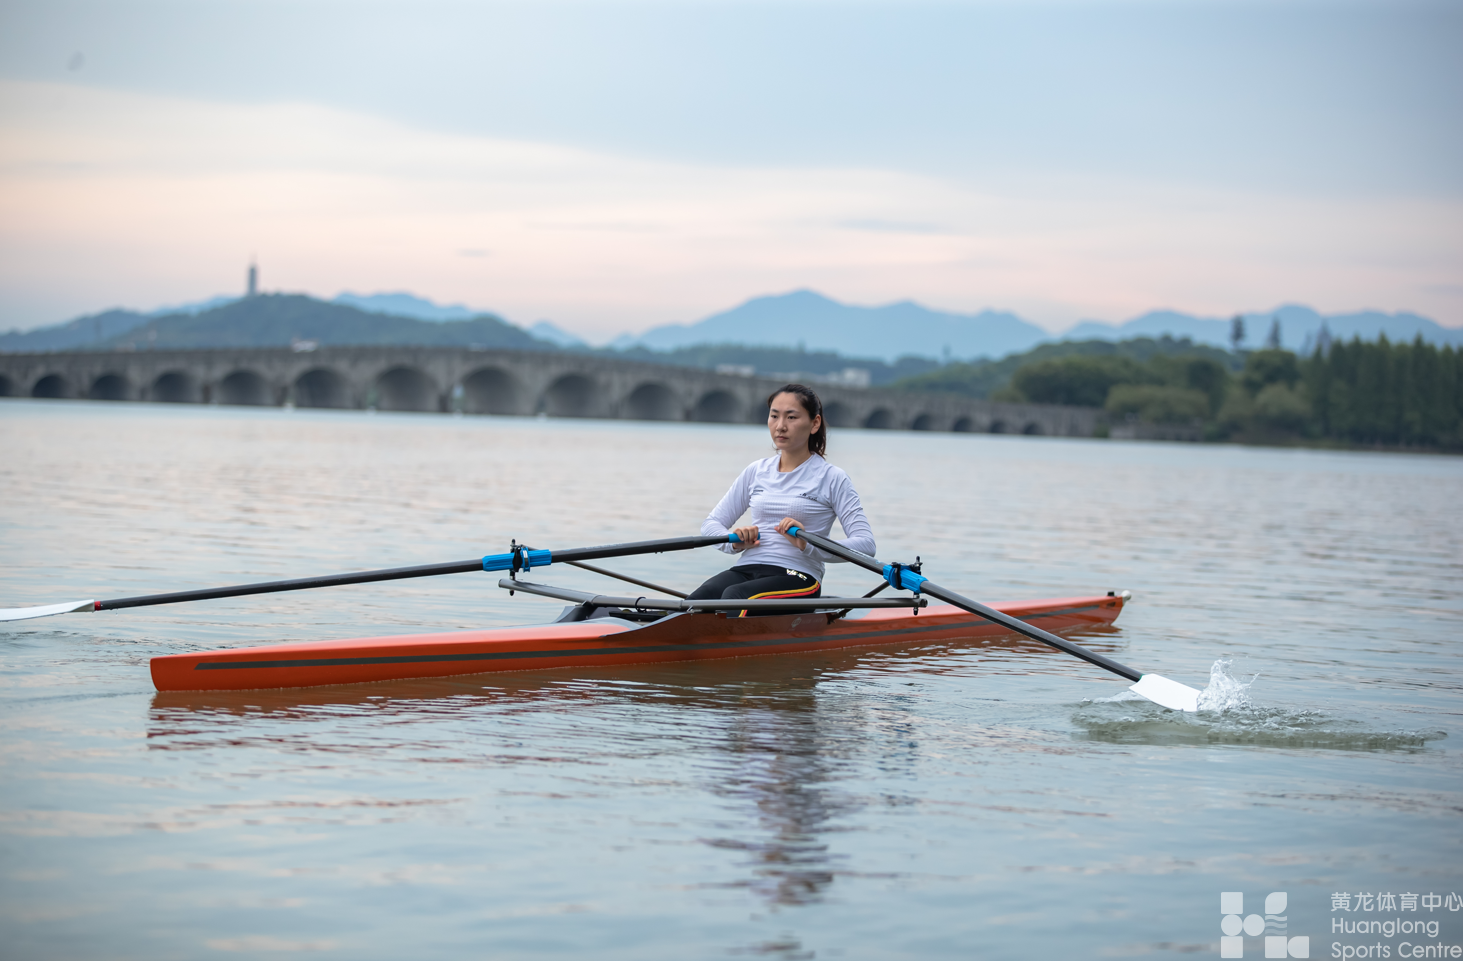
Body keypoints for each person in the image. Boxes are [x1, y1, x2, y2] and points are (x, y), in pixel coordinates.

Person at [690, 383, 876, 613]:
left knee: (734, 597)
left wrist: (809, 544)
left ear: (815, 423)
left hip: (799, 577)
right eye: (774, 416)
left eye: (791, 417)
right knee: (695, 603)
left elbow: (866, 545)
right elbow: (710, 525)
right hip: (747, 568)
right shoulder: (756, 471)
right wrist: (734, 541)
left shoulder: (832, 478)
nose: (780, 426)